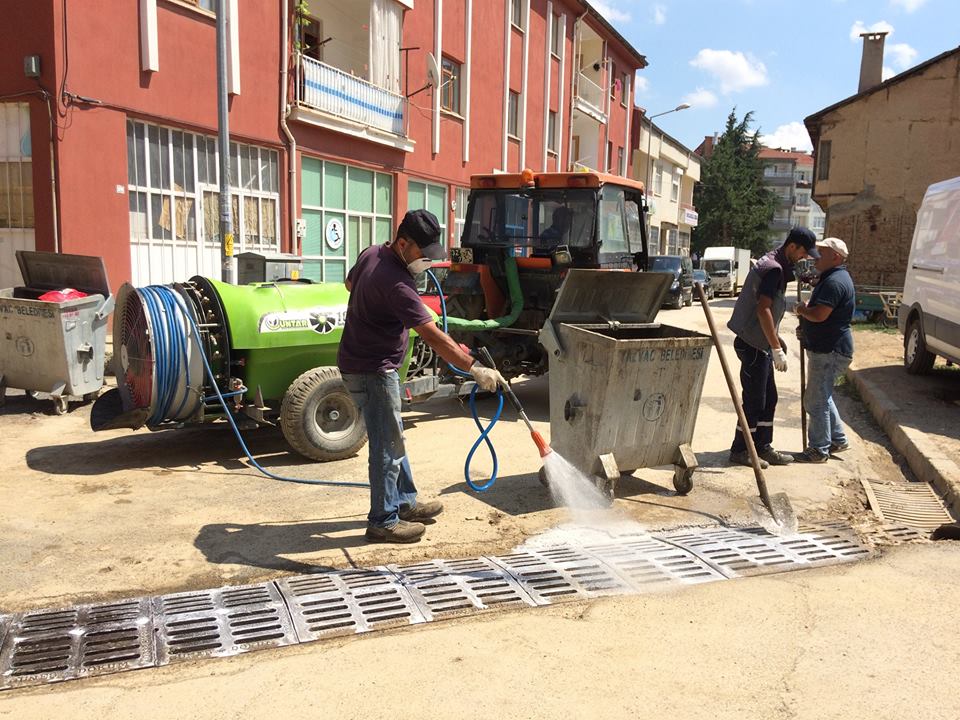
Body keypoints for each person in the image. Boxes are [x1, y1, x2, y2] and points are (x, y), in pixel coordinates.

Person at [338, 209, 504, 544]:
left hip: (360, 361)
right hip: (373, 369)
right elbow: (432, 336)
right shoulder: (396, 282)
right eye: (423, 255)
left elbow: (349, 283)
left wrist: (371, 309)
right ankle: (383, 521)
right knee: (386, 444)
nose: (426, 262)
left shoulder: (373, 253)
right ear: (402, 243)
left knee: (393, 435)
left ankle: (404, 503)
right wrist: (474, 368)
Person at [726, 227, 819, 468]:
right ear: (792, 247)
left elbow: (770, 311)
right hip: (752, 345)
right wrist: (775, 347)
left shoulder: (775, 263)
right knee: (755, 400)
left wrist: (776, 339)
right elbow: (763, 309)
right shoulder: (773, 269)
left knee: (770, 398)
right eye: (802, 253)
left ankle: (762, 446)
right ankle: (740, 449)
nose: (803, 258)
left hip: (760, 342)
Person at [794, 237, 855, 463]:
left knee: (815, 400)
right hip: (828, 348)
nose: (815, 255)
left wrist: (802, 311)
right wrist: (807, 330)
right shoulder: (832, 278)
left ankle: (819, 449)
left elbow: (820, 315)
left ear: (835, 257)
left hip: (830, 351)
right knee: (822, 396)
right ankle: (837, 439)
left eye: (821, 252)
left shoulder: (834, 282)